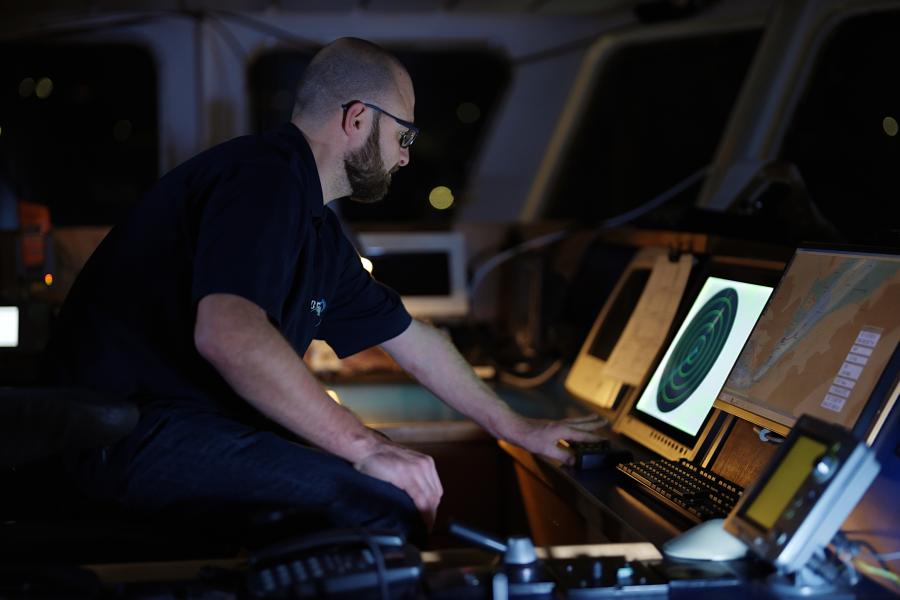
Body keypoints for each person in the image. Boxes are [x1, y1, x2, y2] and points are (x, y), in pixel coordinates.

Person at [46, 37, 602, 546]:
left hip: (179, 426)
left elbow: (414, 339)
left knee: (373, 484)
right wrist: (368, 447)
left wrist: (518, 427)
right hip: (125, 433)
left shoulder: (317, 230)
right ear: (358, 119)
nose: (407, 156)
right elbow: (228, 333)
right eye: (403, 135)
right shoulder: (262, 179)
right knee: (378, 503)